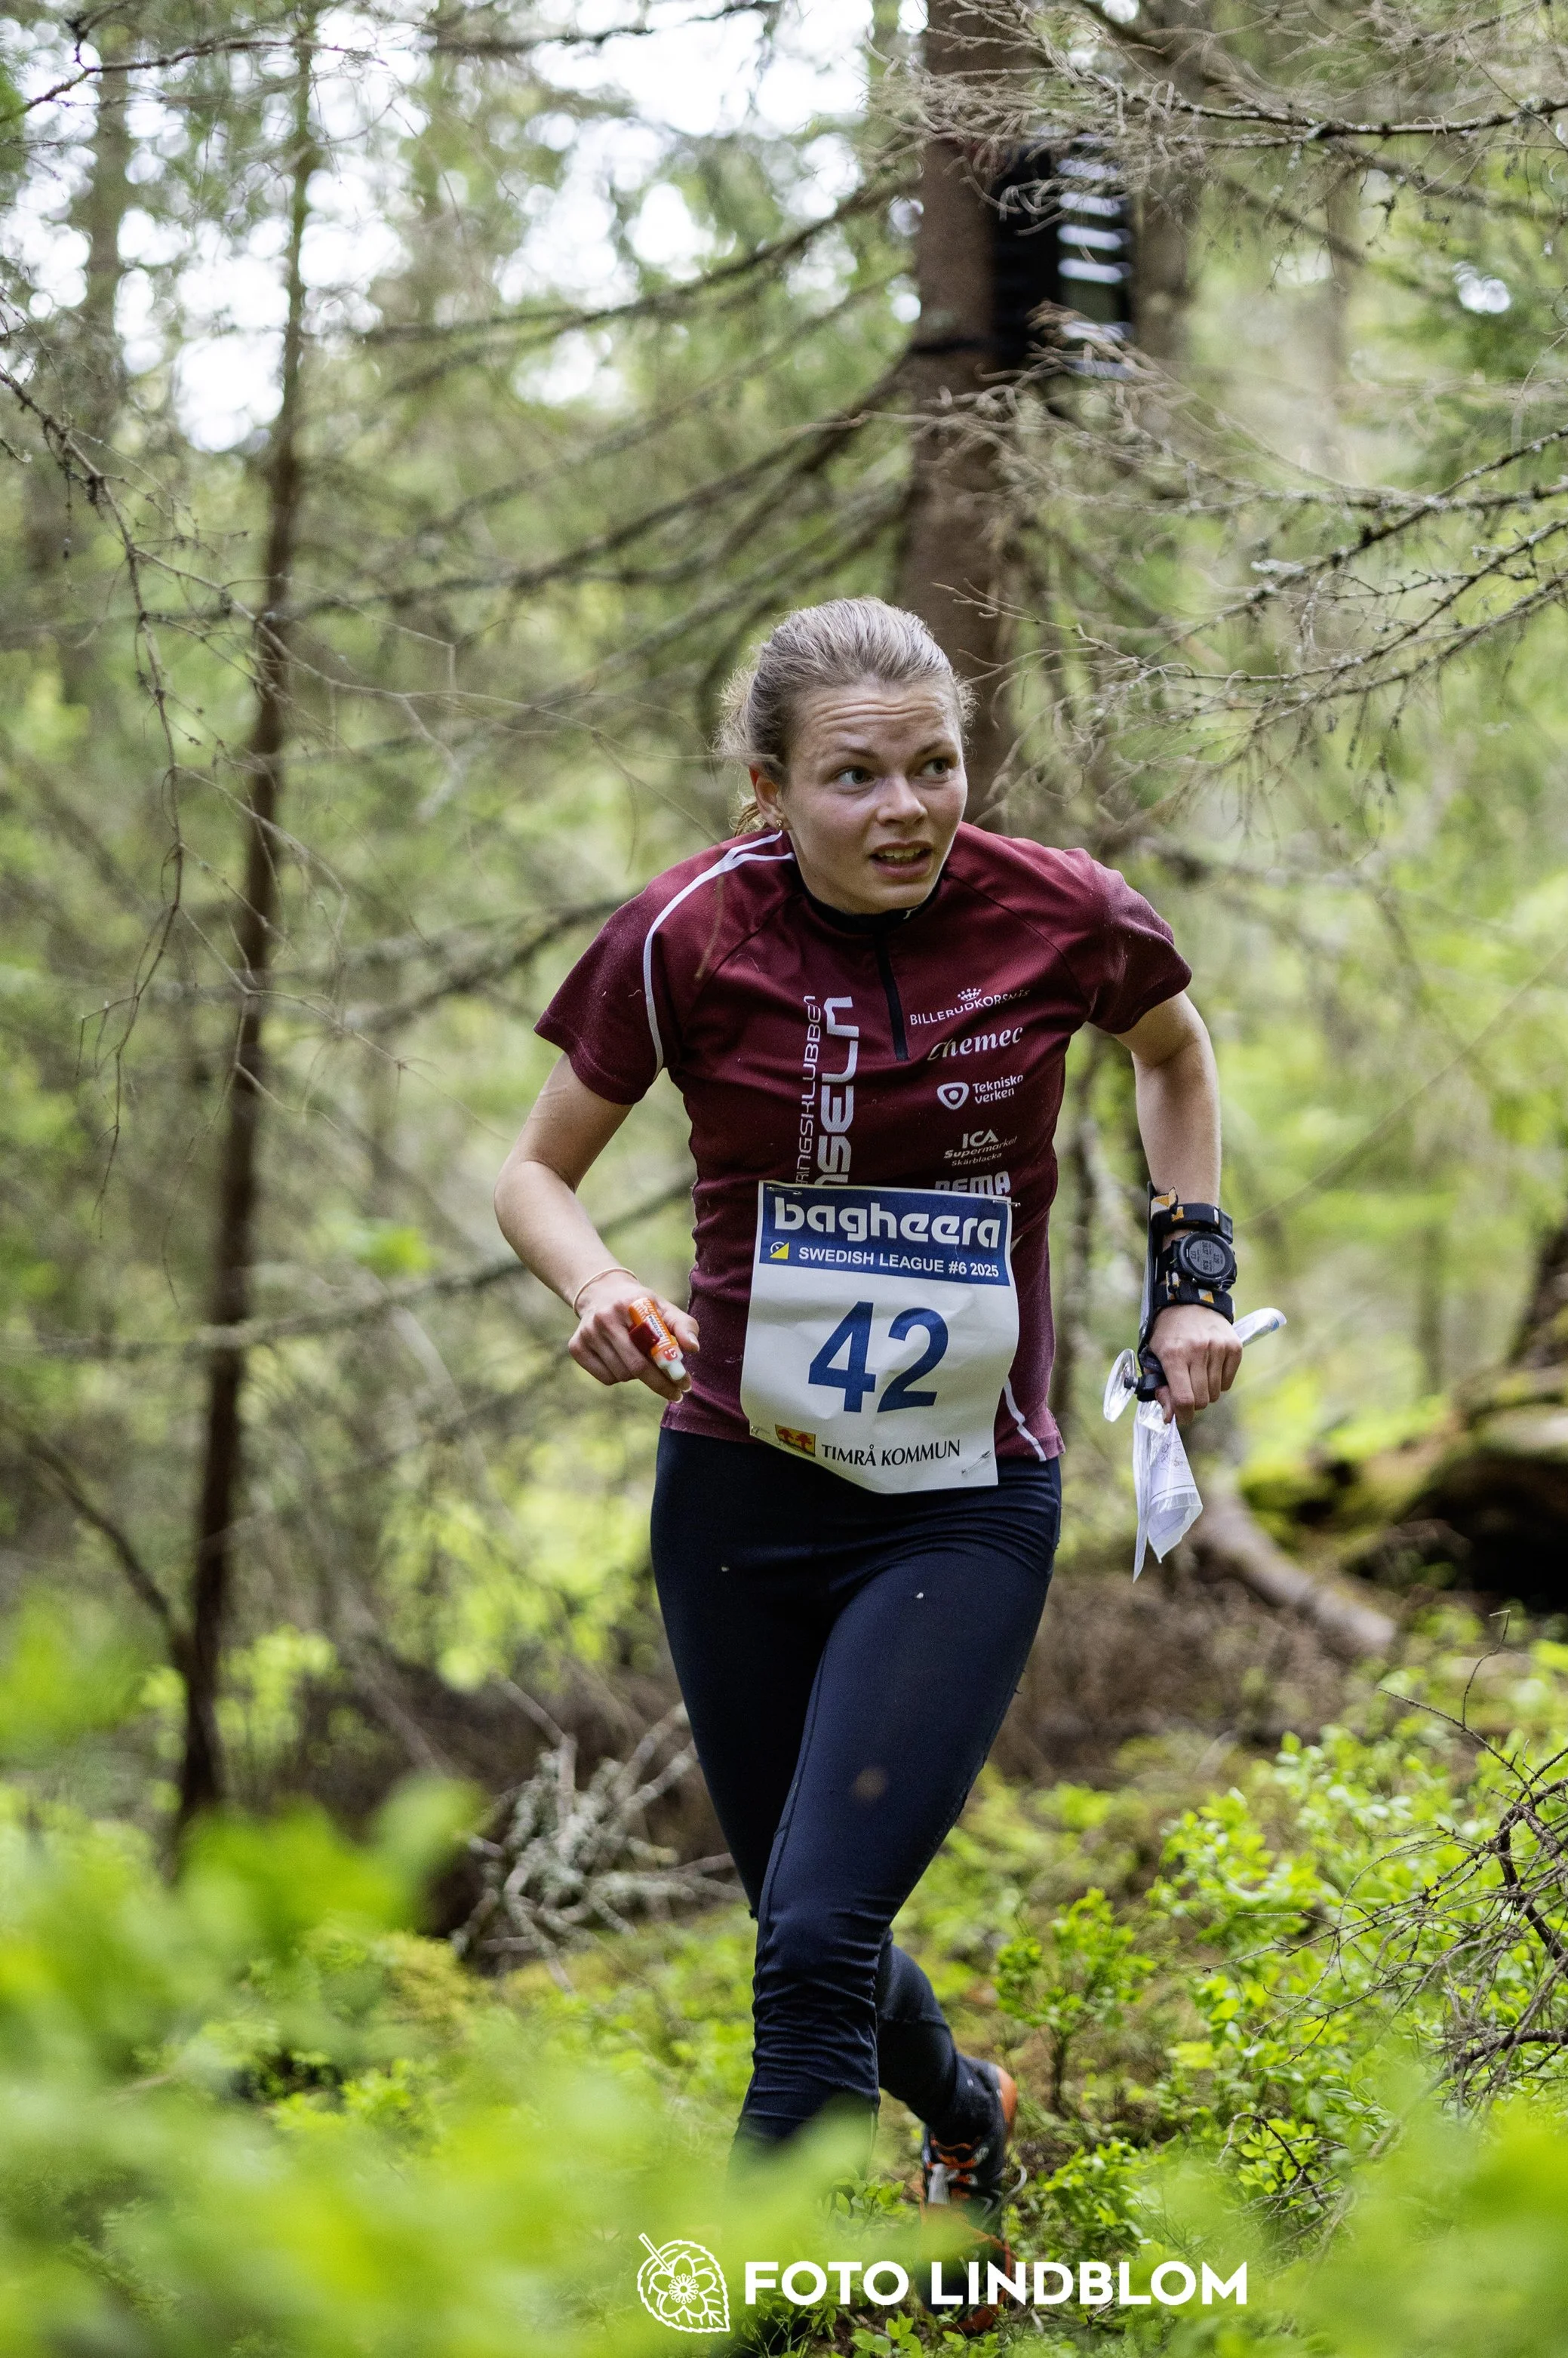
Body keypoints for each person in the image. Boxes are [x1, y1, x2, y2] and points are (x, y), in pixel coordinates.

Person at [493, 597, 1244, 2252]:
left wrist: (1189, 1273)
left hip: (964, 1492)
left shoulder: (1059, 910)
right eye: (854, 777)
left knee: (816, 1933)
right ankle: (968, 2112)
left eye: (933, 766)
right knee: (797, 1909)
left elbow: (1171, 1052)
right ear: (765, 790)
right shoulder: (683, 934)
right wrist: (598, 1283)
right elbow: (533, 1171)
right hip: (737, 1490)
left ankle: (772, 2261)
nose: (906, 808)